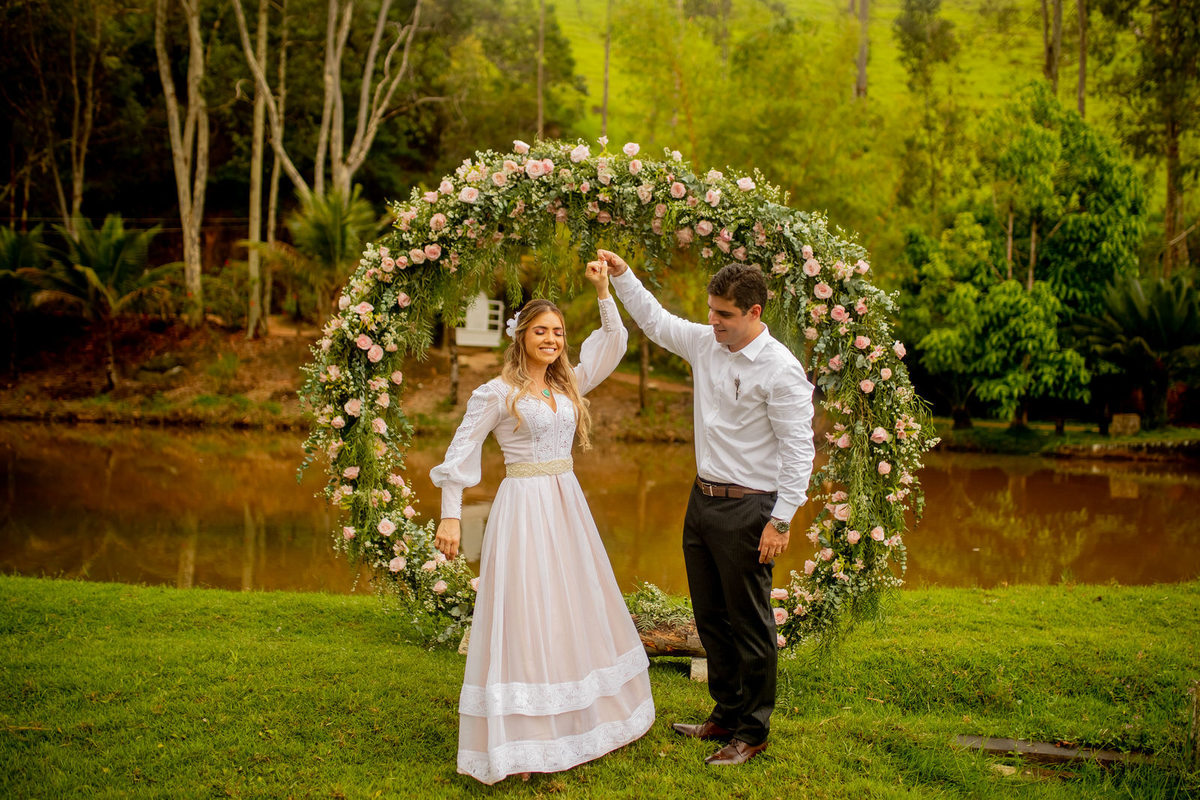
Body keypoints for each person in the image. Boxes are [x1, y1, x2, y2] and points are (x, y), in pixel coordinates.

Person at [430, 261, 654, 785]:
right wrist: (451, 517)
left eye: (557, 332)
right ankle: (523, 742)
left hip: (566, 504)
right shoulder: (496, 393)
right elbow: (460, 452)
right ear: (521, 337)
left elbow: (615, 338)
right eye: (541, 331)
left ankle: (578, 725)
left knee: (569, 605)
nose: (552, 339)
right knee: (527, 610)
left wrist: (603, 289)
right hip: (524, 506)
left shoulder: (569, 384)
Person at [597, 249, 815, 766]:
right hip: (702, 502)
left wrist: (781, 519)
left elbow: (799, 449)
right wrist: (625, 276)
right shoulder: (704, 342)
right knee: (711, 615)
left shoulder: (781, 370)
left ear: (754, 314)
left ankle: (753, 731)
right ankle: (725, 712)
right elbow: (655, 320)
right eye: (711, 311)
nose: (712, 321)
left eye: (724, 314)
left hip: (751, 510)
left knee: (750, 622)